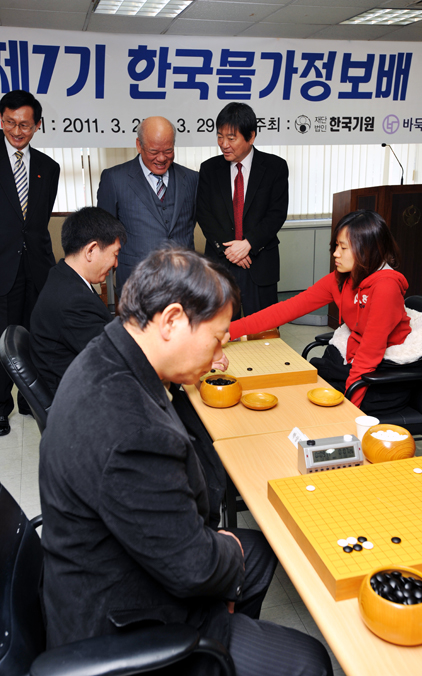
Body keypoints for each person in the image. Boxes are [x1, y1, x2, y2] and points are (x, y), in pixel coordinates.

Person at [39, 247, 333, 676]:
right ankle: (208, 653)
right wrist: (224, 549)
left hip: (114, 561)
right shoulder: (129, 431)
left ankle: (225, 649)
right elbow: (194, 568)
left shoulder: (111, 352)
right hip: (120, 618)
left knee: (263, 551)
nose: (220, 359)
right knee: (309, 661)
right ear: (172, 320)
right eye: (217, 340)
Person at [229, 210, 422, 412]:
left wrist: (348, 411)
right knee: (307, 381)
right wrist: (229, 330)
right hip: (356, 364)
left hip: (383, 378)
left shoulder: (385, 287)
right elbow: (286, 309)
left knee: (312, 394)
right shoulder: (342, 278)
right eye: (336, 245)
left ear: (368, 249)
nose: (335, 254)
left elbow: (370, 353)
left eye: (343, 248)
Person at [0, 89, 60, 436]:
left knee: (32, 337)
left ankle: (27, 399)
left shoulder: (49, 168)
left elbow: (36, 223)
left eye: (24, 124)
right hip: (2, 265)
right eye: (10, 123)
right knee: (0, 338)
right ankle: (0, 406)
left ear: (37, 125)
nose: (17, 131)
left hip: (37, 267)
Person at [196, 102, 289, 320]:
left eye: (231, 138)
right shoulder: (209, 169)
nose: (224, 144)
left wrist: (248, 244)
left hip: (259, 260)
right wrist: (230, 249)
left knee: (264, 331)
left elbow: (276, 214)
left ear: (251, 136)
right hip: (221, 262)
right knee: (222, 332)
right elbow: (204, 213)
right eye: (220, 137)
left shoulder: (275, 167)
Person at [29, 207, 127, 395]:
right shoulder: (73, 300)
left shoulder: (62, 276)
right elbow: (115, 357)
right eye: (115, 254)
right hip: (84, 399)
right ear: (91, 250)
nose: (116, 264)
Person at [97, 116, 198, 293]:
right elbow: (104, 232)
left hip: (183, 280)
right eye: (154, 151)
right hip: (136, 280)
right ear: (139, 145)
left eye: (168, 151)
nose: (161, 158)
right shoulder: (114, 179)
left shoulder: (191, 179)